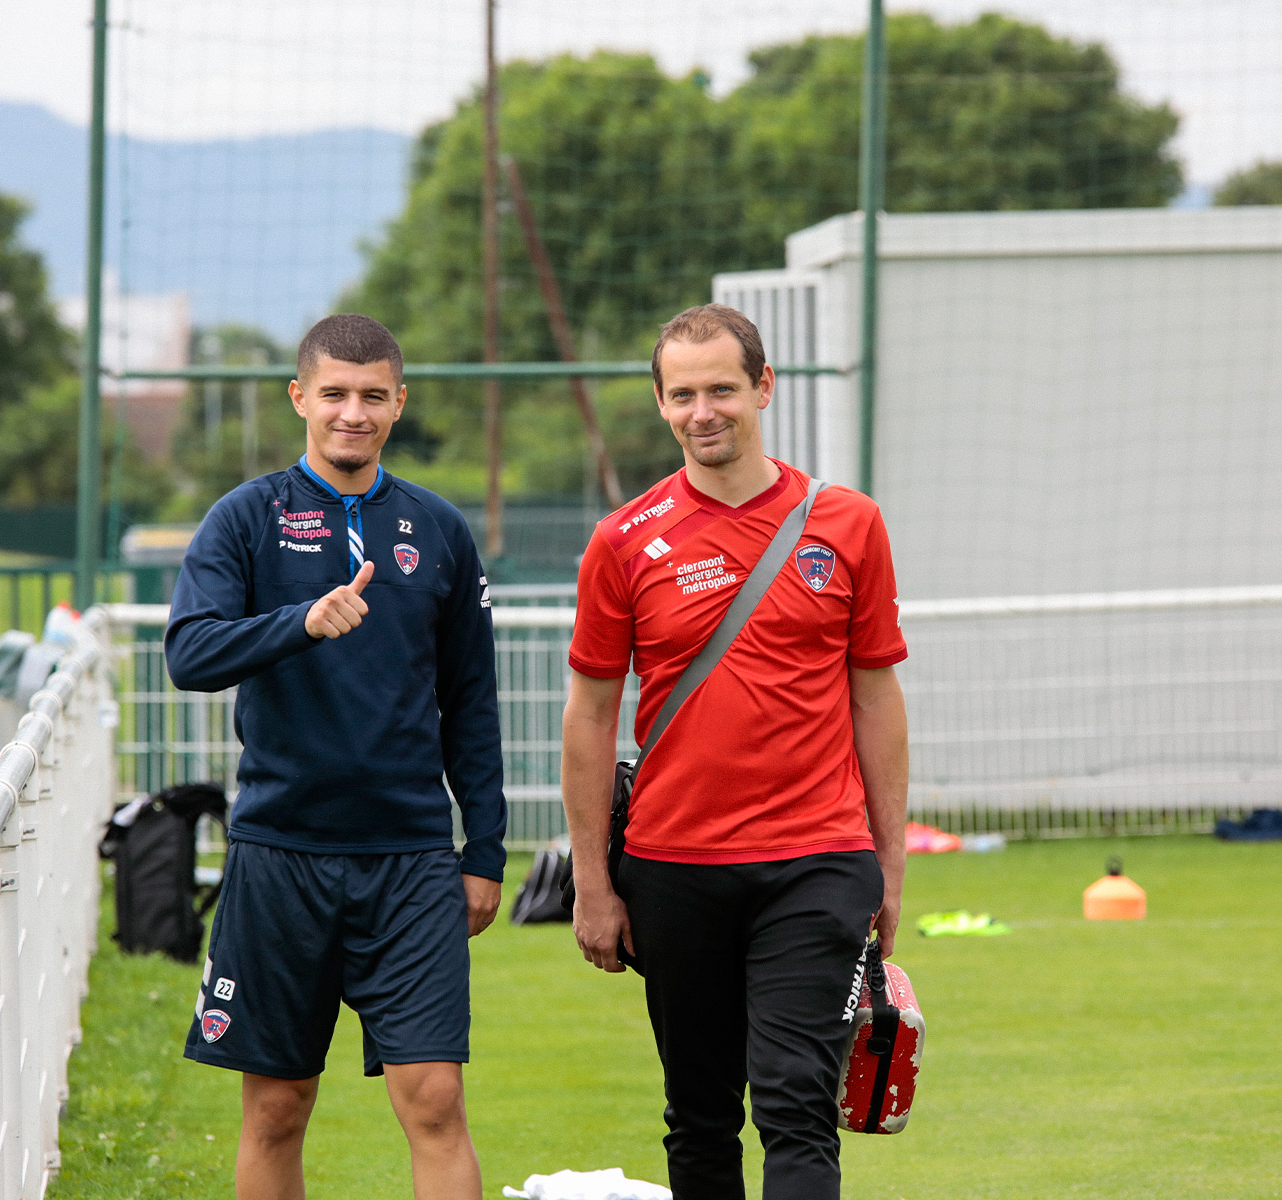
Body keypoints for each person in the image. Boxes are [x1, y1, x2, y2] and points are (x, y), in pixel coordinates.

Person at [561, 304, 909, 1199]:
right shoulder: (622, 541)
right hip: (673, 867)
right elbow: (590, 717)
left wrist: (889, 858)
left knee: (797, 1105)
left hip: (817, 860)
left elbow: (875, 695)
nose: (702, 411)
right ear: (661, 403)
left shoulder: (849, 522)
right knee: (701, 1115)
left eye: (721, 389)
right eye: (682, 395)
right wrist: (593, 884)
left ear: (763, 388)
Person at [165, 313, 506, 1200]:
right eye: (335, 394)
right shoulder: (245, 517)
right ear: (299, 398)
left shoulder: (438, 528)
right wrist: (301, 622)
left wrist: (485, 852)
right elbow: (188, 654)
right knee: (278, 1107)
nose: (353, 412)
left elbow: (473, 703)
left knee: (435, 1100)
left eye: (372, 396)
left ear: (399, 403)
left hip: (410, 859)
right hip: (280, 851)